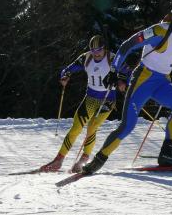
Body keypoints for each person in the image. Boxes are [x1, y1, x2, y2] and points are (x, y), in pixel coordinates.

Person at [80, 4, 172, 174]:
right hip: (143, 80)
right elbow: (127, 46)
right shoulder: (160, 32)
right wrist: (115, 70)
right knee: (128, 126)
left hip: (163, 81)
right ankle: (98, 160)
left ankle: (167, 153)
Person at [40, 35, 127, 173]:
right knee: (75, 128)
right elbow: (68, 69)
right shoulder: (86, 58)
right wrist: (65, 76)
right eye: (93, 50)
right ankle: (59, 159)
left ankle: (83, 160)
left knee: (92, 127)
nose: (96, 53)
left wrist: (123, 82)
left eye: (99, 50)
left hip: (107, 100)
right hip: (90, 98)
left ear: (104, 48)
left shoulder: (113, 58)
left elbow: (128, 73)